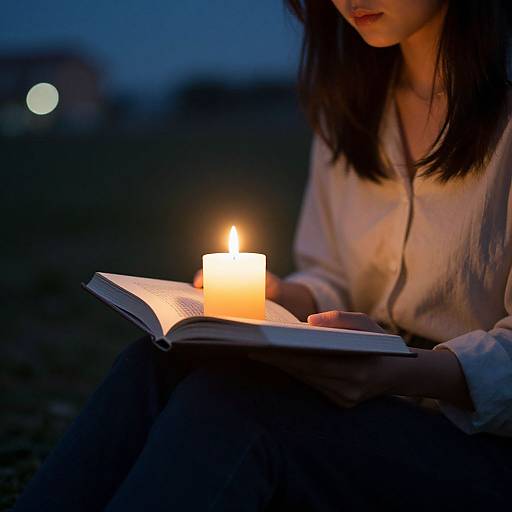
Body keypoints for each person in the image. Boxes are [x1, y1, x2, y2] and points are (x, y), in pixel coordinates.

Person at [13, 1, 512, 510]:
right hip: (383, 406)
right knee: (159, 364)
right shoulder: (354, 105)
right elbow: (335, 274)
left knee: (232, 409)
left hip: (485, 453)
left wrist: (403, 370)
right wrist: (280, 298)